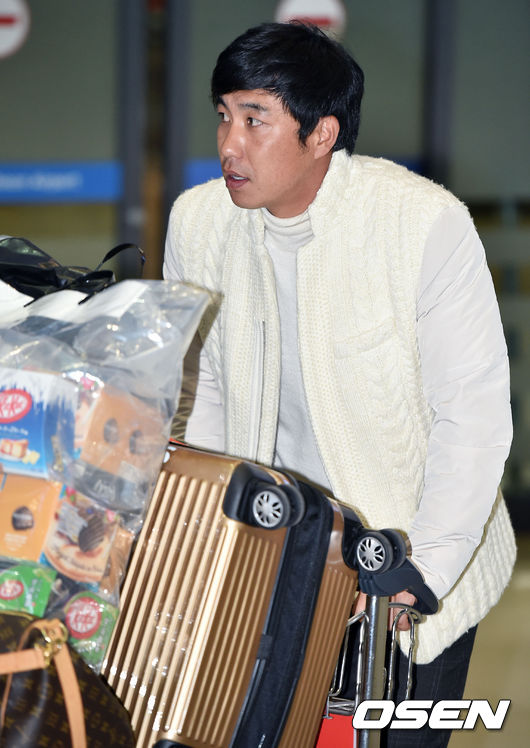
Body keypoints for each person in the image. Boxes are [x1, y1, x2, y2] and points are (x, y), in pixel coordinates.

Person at [163, 21, 516, 747]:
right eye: (223, 115)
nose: (229, 144)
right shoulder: (198, 222)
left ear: (321, 133)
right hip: (277, 546)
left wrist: (427, 567)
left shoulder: (421, 224)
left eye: (255, 119)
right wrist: (205, 530)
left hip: (412, 553)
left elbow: (472, 413)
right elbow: (207, 391)